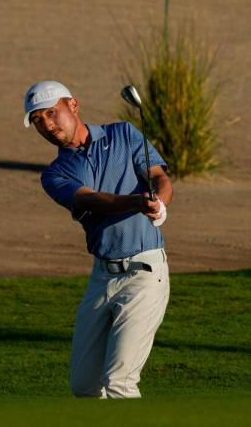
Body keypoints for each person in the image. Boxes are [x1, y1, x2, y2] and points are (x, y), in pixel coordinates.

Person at [23, 80, 172, 399]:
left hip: (144, 272)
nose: (47, 125)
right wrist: (136, 202)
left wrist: (160, 201)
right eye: (38, 121)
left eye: (52, 113)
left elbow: (158, 176)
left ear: (73, 105)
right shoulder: (55, 174)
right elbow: (91, 200)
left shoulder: (124, 133)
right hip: (102, 278)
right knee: (85, 385)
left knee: (120, 381)